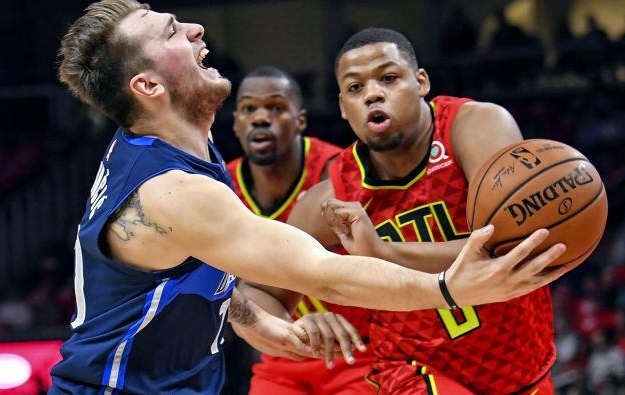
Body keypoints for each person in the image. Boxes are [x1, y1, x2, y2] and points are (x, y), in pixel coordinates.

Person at [52, 2, 567, 394]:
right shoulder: (173, 192)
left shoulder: (173, 148)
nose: (195, 29)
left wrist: (259, 323)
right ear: (147, 85)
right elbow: (323, 273)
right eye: (171, 32)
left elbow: (192, 269)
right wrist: (450, 286)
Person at [282, 27, 566, 394]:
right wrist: (297, 326)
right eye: (355, 88)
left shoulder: (474, 127)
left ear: (420, 82)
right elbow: (258, 288)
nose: (372, 94)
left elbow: (509, 250)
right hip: (414, 372)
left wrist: (383, 253)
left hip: (524, 371)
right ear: (342, 107)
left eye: (388, 78)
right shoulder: (336, 197)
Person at [227, 66, 373, 394]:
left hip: (358, 349)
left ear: (300, 120)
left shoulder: (337, 173)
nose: (261, 118)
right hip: (282, 355)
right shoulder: (221, 188)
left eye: (276, 108)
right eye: (250, 109)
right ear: (236, 123)